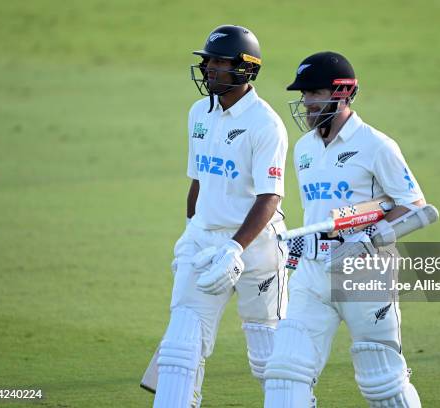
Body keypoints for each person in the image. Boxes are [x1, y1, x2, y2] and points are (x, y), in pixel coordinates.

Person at [263, 51, 424, 407]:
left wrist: (368, 239)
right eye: (303, 94)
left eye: (313, 93)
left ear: (341, 93)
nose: (305, 102)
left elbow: (413, 205)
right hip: (312, 272)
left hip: (364, 271)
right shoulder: (304, 148)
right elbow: (319, 210)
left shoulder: (375, 144)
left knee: (381, 379)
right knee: (285, 371)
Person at [151, 25, 289, 408]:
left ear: (245, 69)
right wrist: (191, 230)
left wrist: (234, 248)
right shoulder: (199, 112)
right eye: (207, 60)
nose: (209, 67)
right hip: (204, 242)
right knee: (180, 348)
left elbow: (270, 197)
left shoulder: (266, 124)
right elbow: (198, 182)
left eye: (219, 61)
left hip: (257, 249)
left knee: (268, 355)